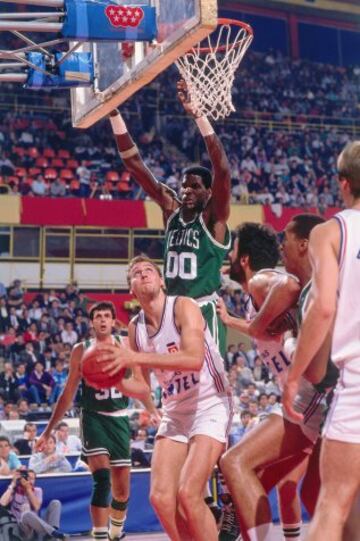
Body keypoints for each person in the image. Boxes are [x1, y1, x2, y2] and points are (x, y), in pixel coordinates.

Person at [96, 256, 232, 541]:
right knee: (160, 497)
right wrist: (111, 378)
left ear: (161, 280)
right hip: (176, 410)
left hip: (211, 401)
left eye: (149, 271)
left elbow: (193, 359)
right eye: (136, 273)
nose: (143, 274)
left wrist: (135, 357)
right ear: (131, 289)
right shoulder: (136, 327)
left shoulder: (183, 306)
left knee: (188, 492)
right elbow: (143, 387)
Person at [217, 219, 335, 541]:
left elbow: (290, 286)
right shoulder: (255, 293)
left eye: (233, 251)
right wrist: (241, 322)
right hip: (303, 398)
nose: (228, 258)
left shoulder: (262, 280)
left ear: (244, 259)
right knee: (256, 488)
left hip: (306, 396)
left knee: (234, 462)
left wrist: (252, 326)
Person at [109, 80, 231, 357]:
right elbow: (135, 166)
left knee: (212, 384)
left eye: (195, 186)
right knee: (176, 382)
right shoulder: (171, 210)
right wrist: (115, 114)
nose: (187, 190)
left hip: (202, 308)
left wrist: (199, 116)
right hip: (171, 309)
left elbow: (222, 169)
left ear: (208, 192)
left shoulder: (215, 220)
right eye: (184, 185)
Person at [283, 141, 360, 540]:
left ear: (343, 184)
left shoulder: (330, 231)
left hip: (357, 383)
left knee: (333, 502)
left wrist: (294, 374)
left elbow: (323, 308)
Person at [35, 301, 156, 541]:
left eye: (106, 316)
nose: (102, 320)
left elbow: (142, 386)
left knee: (122, 492)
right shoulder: (81, 349)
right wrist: (47, 431)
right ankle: (100, 536)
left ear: (113, 321)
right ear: (91, 323)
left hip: (120, 420)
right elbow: (68, 393)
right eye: (97, 316)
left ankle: (115, 532)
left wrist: (152, 410)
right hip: (93, 419)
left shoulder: (126, 346)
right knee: (102, 480)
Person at [0, 468, 67, 539]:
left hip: (37, 527)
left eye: (33, 479)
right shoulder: (14, 491)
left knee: (55, 503)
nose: (30, 481)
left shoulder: (37, 490)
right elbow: (2, 503)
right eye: (28, 478)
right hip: (23, 529)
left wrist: (28, 489)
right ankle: (53, 534)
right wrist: (13, 484)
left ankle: (52, 535)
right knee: (26, 514)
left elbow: (36, 507)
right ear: (22, 478)